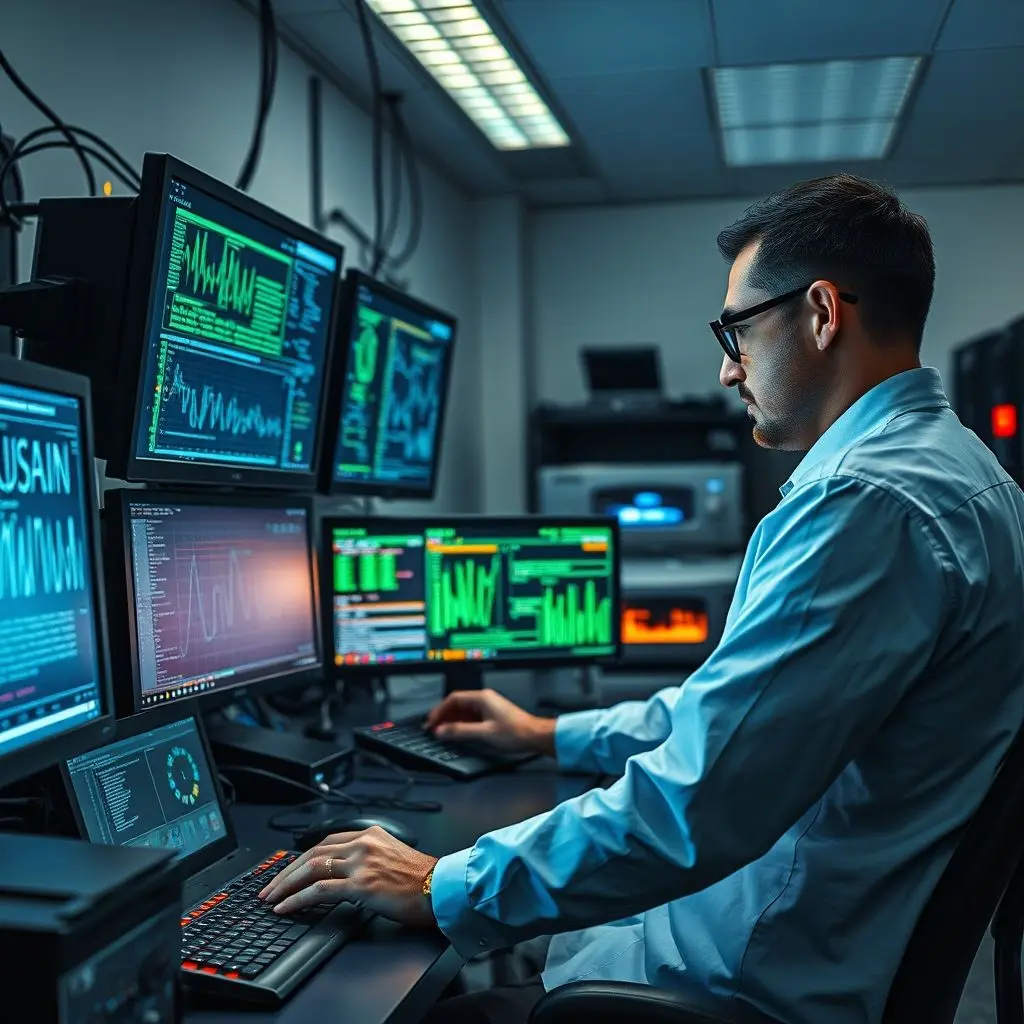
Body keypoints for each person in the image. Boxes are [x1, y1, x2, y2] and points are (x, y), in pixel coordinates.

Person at [260, 175, 1024, 1024]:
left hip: (723, 991)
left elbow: (700, 801)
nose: (726, 368)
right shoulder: (966, 476)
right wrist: (550, 734)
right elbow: (736, 720)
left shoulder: (865, 504)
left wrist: (440, 883)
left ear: (820, 313)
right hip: (788, 952)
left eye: (736, 330)